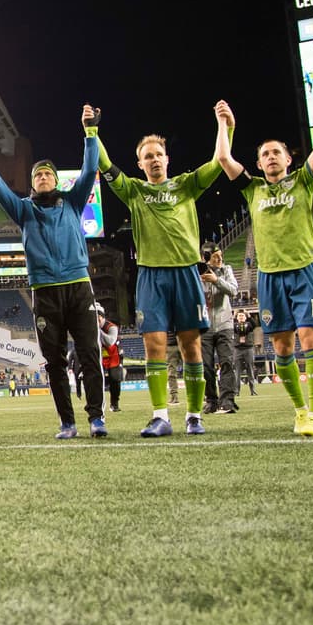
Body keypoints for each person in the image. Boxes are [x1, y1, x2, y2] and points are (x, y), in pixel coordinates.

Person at [94, 102, 232, 436]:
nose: (154, 159)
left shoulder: (186, 185)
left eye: (158, 154)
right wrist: (91, 130)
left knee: (191, 348)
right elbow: (106, 164)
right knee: (154, 346)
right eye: (148, 156)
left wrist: (224, 125)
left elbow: (219, 162)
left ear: (166, 159)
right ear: (140, 163)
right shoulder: (134, 191)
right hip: (151, 276)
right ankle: (161, 417)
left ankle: (194, 416)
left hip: (185, 273)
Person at [0, 105, 106, 438]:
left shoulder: (73, 201)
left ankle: (96, 418)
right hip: (45, 292)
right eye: (38, 175)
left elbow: (91, 168)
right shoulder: (23, 210)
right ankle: (68, 422)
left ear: (55, 178)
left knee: (91, 355)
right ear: (33, 183)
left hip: (78, 286)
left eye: (48, 173)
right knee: (55, 363)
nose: (44, 177)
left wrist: (90, 132)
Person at [218, 89, 313, 436]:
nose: (270, 157)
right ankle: (299, 410)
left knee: (311, 338)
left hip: (304, 270)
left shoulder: (303, 181)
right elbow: (224, 159)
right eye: (265, 154)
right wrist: (225, 123)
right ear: (258, 163)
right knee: (282, 347)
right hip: (269, 277)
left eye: (276, 152)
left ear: (288, 159)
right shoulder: (253, 189)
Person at [201, 245, 240, 414]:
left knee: (227, 362)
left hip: (225, 324)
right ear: (206, 257)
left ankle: (227, 401)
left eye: (220, 256)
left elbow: (233, 290)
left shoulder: (226, 270)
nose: (219, 259)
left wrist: (215, 280)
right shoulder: (197, 272)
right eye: (215, 256)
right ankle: (211, 400)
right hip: (205, 326)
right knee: (206, 366)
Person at [97, 305, 123, 412]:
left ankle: (114, 403)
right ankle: (98, 404)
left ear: (101, 317)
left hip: (113, 357)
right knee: (97, 380)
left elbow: (110, 341)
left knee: (115, 379)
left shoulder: (112, 327)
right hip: (99, 356)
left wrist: (98, 330)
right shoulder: (89, 326)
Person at [233, 309, 258, 395]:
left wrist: (249, 316)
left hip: (248, 348)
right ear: (237, 317)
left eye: (242, 316)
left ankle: (253, 391)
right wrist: (234, 316)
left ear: (245, 317)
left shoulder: (249, 325)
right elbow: (229, 325)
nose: (241, 317)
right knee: (237, 372)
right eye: (239, 316)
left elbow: (255, 325)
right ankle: (236, 391)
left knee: (250, 370)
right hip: (237, 349)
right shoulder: (234, 325)